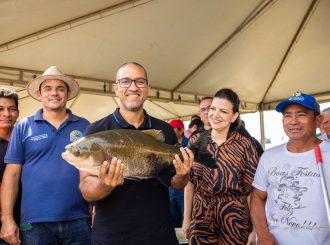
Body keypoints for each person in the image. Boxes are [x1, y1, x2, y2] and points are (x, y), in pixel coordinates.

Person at [79, 62, 194, 245]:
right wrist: (105, 185)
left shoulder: (164, 129)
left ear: (148, 88)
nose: (133, 87)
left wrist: (183, 174)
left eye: (140, 81)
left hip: (159, 235)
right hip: (111, 237)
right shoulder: (96, 131)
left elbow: (176, 183)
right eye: (125, 81)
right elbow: (86, 189)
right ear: (115, 88)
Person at [1, 66, 91, 245]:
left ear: (67, 93)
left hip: (79, 219)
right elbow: (11, 175)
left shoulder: (85, 126)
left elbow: (92, 170)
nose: (54, 93)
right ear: (39, 93)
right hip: (34, 223)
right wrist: (7, 218)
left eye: (60, 88)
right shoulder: (23, 127)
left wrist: (96, 209)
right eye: (48, 88)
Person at [251, 91, 330, 245]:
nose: (293, 121)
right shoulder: (269, 156)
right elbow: (257, 197)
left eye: (301, 115)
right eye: (287, 115)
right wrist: (263, 234)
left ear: (318, 120)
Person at [183, 88, 259, 244]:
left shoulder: (246, 145)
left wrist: (255, 229)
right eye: (213, 108)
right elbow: (189, 182)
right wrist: (186, 219)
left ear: (234, 116)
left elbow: (252, 191)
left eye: (223, 111)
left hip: (235, 219)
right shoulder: (195, 141)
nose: (215, 115)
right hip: (201, 217)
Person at [0, 88, 20, 245]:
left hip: (26, 219)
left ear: (18, 113)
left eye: (11, 109)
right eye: (0, 109)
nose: (6, 114)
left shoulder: (25, 139)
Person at [168, 119, 188, 228]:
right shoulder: (168, 144)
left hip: (185, 186)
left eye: (173, 129)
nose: (170, 131)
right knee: (173, 216)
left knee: (185, 213)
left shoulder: (188, 143)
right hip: (171, 185)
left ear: (181, 130)